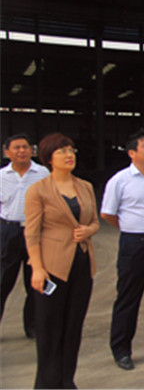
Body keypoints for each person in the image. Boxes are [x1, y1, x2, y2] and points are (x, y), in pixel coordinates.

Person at [24, 133, 99, 388]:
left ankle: (67, 380)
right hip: (52, 268)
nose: (69, 155)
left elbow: (95, 221)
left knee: (73, 327)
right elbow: (32, 233)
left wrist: (89, 230)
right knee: (49, 329)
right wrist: (37, 268)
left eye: (71, 150)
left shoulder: (85, 187)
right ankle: (47, 383)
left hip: (82, 264)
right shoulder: (38, 190)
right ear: (48, 158)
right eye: (62, 151)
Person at [100, 129, 144, 370]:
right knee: (129, 298)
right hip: (134, 244)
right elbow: (107, 214)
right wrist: (130, 227)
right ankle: (121, 349)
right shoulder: (120, 180)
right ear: (131, 153)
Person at [1, 133, 49, 338]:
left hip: (36, 232)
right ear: (7, 152)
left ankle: (33, 327)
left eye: (25, 147)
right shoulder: (2, 176)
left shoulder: (42, 173)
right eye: (17, 147)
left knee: (35, 282)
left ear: (32, 150)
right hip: (8, 231)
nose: (22, 151)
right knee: (3, 281)